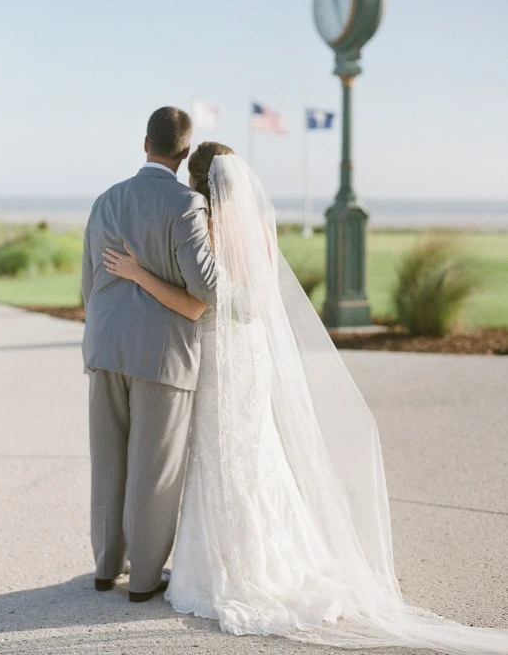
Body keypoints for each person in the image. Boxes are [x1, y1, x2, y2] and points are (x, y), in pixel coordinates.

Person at [102, 143, 508, 652]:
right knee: (253, 454)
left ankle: (231, 565)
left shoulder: (205, 229)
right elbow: (253, 301)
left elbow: (196, 306)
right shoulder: (255, 231)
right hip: (250, 357)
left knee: (222, 455)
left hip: (223, 359)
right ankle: (271, 553)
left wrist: (139, 274)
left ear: (199, 183)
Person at [81, 107, 216, 602]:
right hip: (162, 354)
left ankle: (104, 567)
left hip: (106, 344)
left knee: (108, 461)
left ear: (145, 144)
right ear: (184, 153)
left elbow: (88, 280)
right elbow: (208, 291)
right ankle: (143, 581)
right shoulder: (186, 206)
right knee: (152, 470)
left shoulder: (106, 200)